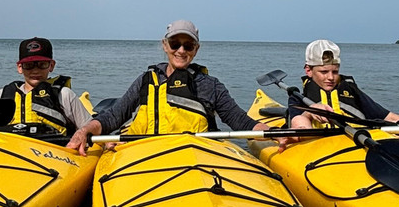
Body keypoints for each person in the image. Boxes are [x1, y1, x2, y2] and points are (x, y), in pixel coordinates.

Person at [66, 20, 270, 155]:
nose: (181, 50)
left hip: (195, 157)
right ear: (165, 45)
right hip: (146, 153)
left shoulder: (210, 85)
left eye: (188, 46)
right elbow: (114, 116)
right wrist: (84, 130)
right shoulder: (147, 80)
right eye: (175, 44)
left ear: (196, 50)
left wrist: (271, 132)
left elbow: (239, 120)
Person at [287, 40, 399, 130]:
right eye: (323, 72)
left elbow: (389, 117)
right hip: (323, 147)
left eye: (335, 72)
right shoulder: (298, 98)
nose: (330, 77)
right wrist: (309, 112)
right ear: (308, 70)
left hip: (360, 143)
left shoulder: (351, 90)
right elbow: (300, 124)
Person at [0, 37, 93, 136]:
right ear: (20, 67)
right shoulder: (2, 95)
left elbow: (91, 129)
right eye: (29, 65)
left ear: (51, 65)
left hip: (51, 151)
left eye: (42, 64)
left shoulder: (64, 95)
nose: (35, 70)